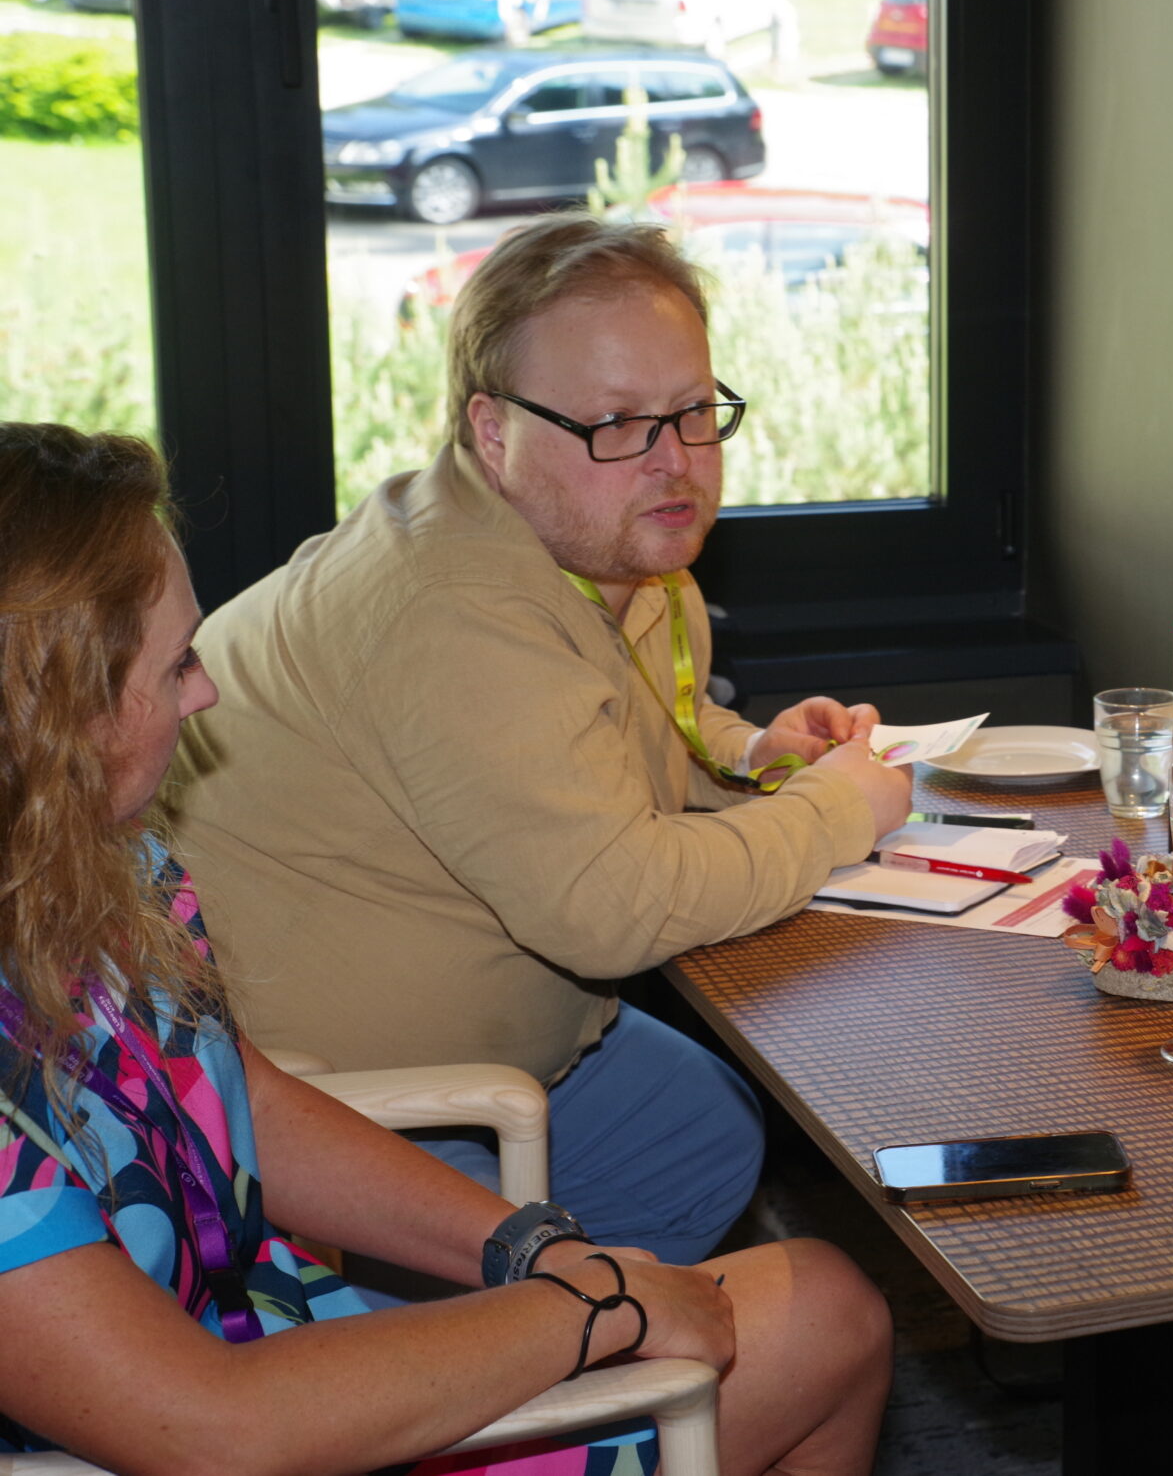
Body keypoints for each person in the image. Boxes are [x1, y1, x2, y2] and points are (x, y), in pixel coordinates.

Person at [0, 422, 893, 1475]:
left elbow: (246, 1103)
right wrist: (592, 1307)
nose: (206, 693)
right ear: (56, 713)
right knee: (819, 1315)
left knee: (825, 1305)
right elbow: (216, 1428)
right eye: (177, 664)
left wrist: (536, 1248)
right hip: (253, 1416)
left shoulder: (102, 868)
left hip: (282, 1334)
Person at [161, 214, 914, 1266]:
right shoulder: (450, 608)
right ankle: (513, 1350)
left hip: (507, 1045)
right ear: (491, 429)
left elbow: (598, 726)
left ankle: (594, 1331)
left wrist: (752, 755)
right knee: (728, 1177)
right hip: (309, 1112)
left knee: (704, 1128)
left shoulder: (602, 549)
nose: (674, 461)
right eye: (615, 423)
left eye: (695, 411)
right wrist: (836, 812)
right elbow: (614, 907)